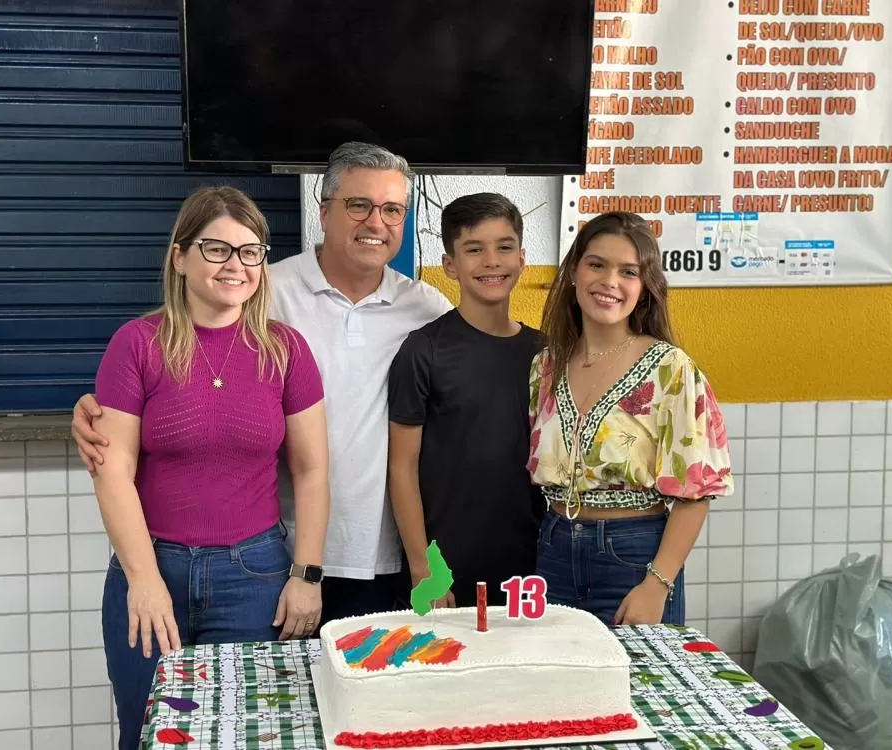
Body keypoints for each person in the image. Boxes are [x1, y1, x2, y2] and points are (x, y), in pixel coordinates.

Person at [72, 143, 453, 626]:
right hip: (279, 558)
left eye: (393, 209)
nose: (376, 222)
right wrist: (93, 409)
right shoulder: (262, 288)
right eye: (358, 204)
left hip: (381, 551)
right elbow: (181, 357)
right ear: (325, 211)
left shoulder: (427, 309)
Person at [88, 186, 330, 749]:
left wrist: (306, 575)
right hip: (152, 568)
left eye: (250, 252)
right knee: (153, 734)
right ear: (180, 256)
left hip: (255, 579)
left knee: (247, 736)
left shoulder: (286, 350)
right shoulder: (138, 345)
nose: (236, 265)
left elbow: (313, 471)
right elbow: (112, 470)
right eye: (216, 248)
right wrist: (143, 581)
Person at [528, 211, 733, 627]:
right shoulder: (545, 367)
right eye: (597, 264)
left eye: (628, 272)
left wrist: (657, 584)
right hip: (555, 551)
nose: (610, 282)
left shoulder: (670, 369)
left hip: (632, 559)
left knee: (635, 688)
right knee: (561, 689)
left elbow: (696, 493)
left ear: (645, 288)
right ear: (573, 271)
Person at [387, 193, 545, 608]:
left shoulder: (545, 353)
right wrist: (424, 569)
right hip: (446, 569)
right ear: (450, 266)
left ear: (522, 258)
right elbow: (401, 467)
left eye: (504, 247)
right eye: (474, 249)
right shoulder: (423, 350)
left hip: (532, 568)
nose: (492, 261)